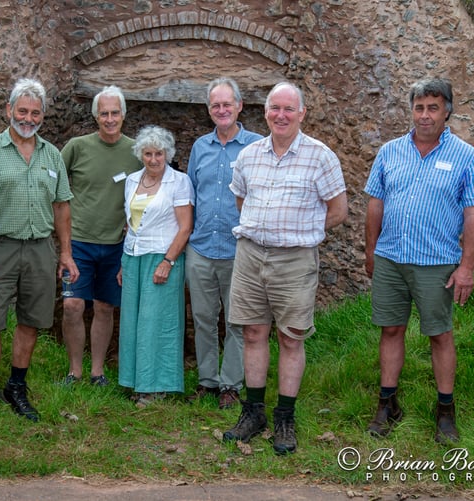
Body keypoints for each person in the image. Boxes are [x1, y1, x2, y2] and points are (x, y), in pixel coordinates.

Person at [223, 82, 348, 455]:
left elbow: (338, 211)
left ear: (302, 113)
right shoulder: (249, 155)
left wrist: (300, 231)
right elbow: (241, 199)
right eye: (274, 108)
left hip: (294, 259)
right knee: (252, 333)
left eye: (289, 109)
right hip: (250, 255)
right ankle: (254, 412)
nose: (281, 115)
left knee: (291, 338)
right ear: (264, 111)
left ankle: (285, 418)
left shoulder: (320, 156)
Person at [364, 77, 474, 444]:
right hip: (390, 259)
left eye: (433, 107)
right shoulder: (389, 152)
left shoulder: (465, 156)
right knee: (390, 329)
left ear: (447, 111)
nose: (424, 115)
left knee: (439, 334)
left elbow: (473, 214)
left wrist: (466, 267)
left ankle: (445, 412)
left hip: (437, 263)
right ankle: (388, 404)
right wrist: (371, 251)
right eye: (419, 107)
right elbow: (375, 203)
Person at [0, 78, 78, 424]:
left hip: (40, 251)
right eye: (22, 111)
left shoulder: (52, 155)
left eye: (35, 113)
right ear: (8, 111)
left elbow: (62, 207)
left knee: (31, 320)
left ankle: (16, 387)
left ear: (43, 115)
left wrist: (65, 253)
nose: (28, 119)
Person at [185, 77, 263, 410]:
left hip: (239, 251)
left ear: (239, 106)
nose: (221, 110)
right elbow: (189, 194)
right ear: (209, 110)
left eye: (227, 104)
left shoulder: (257, 146)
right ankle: (207, 381)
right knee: (202, 318)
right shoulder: (199, 148)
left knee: (236, 320)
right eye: (215, 105)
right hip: (200, 248)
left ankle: (231, 383)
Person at [59, 86, 140, 387]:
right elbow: (53, 181)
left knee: (105, 307)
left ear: (123, 115)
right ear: (95, 116)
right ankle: (74, 371)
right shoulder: (77, 147)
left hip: (116, 243)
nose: (109, 119)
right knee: (72, 306)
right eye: (104, 113)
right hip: (78, 241)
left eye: (114, 113)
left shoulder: (135, 152)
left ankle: (97, 372)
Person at [117, 125, 194, 408]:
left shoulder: (179, 182)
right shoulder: (132, 180)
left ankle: (155, 387)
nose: (153, 159)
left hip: (163, 258)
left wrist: (168, 261)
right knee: (133, 322)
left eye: (158, 154)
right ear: (141, 155)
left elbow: (185, 227)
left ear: (167, 154)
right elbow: (130, 224)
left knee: (156, 323)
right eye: (148, 153)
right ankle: (133, 380)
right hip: (133, 257)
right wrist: (124, 262)